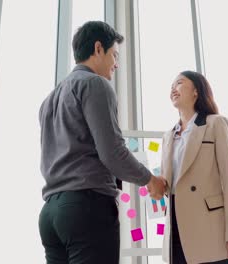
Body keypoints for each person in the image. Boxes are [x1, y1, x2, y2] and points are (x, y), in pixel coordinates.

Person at [38, 21, 166, 264]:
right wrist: (151, 180)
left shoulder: (50, 99)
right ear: (98, 49)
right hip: (85, 208)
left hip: (50, 214)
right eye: (114, 55)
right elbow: (113, 153)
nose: (116, 64)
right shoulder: (94, 84)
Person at [161, 71, 228, 263]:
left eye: (179, 83)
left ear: (196, 91)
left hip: (208, 228)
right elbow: (168, 185)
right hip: (175, 227)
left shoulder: (215, 124)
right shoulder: (168, 137)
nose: (173, 89)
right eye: (171, 85)